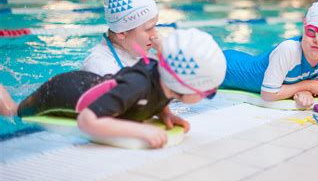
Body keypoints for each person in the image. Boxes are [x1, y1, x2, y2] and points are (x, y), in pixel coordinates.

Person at [0, 28, 226, 148]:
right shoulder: (137, 86)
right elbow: (87, 121)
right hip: (62, 93)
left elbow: (157, 94)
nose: (209, 96)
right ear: (184, 87)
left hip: (86, 83)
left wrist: (166, 113)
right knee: (12, 110)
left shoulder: (164, 80)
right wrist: (142, 130)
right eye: (209, 92)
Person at [82, 0, 184, 132]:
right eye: (148, 29)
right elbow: (110, 112)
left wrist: (163, 112)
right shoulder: (100, 65)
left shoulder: (142, 53)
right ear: (122, 32)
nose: (155, 35)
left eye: (155, 27)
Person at [221, 0, 318, 108]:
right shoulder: (288, 50)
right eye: (311, 31)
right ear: (304, 27)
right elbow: (268, 94)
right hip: (224, 66)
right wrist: (306, 86)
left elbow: (313, 88)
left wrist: (306, 91)